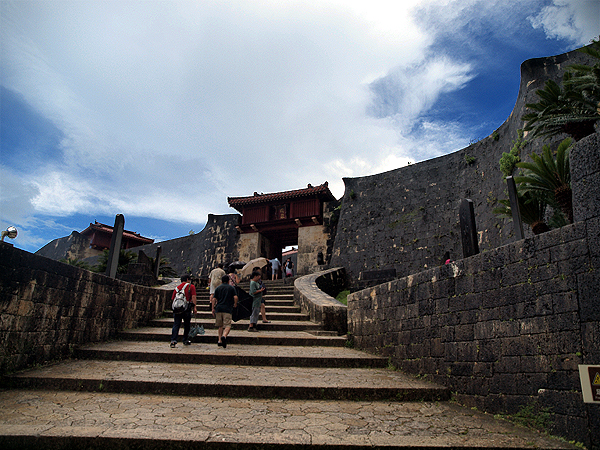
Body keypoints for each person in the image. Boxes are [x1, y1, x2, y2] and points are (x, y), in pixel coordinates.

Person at [211, 274, 238, 348]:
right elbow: (235, 297)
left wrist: (213, 308)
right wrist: (235, 304)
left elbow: (213, 299)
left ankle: (219, 340)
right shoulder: (231, 288)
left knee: (220, 326)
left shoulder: (218, 288)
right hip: (227, 308)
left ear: (221, 281)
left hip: (219, 308)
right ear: (229, 281)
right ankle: (224, 336)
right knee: (228, 325)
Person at [170, 274, 197, 347]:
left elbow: (173, 299)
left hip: (177, 308)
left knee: (176, 324)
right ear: (188, 279)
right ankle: (185, 339)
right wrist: (195, 307)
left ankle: (173, 341)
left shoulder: (177, 288)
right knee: (187, 325)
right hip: (186, 308)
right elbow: (193, 297)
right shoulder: (191, 286)